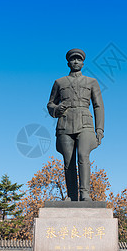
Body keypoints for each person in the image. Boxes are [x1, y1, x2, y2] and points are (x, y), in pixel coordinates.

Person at [47, 48, 104, 201]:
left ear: (83, 63)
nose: (76, 62)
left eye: (79, 59)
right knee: (68, 161)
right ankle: (72, 195)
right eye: (73, 59)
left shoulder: (91, 82)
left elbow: (98, 106)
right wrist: (56, 109)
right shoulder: (59, 82)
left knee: (83, 156)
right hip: (65, 123)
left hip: (85, 123)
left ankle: (85, 193)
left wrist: (100, 129)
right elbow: (50, 104)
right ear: (68, 63)